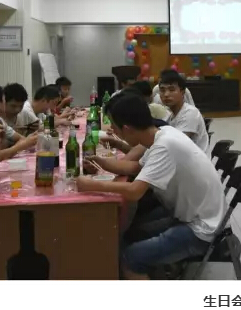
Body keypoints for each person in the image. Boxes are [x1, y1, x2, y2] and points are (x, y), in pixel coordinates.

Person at [75, 94, 225, 279]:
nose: (112, 130)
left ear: (127, 129)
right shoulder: (164, 133)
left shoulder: (164, 146)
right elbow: (136, 167)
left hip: (201, 228)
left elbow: (134, 192)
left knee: (130, 258)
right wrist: (101, 162)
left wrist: (92, 185)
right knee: (130, 233)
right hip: (196, 214)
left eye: (114, 126)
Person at [159, 70, 208, 152]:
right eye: (162, 90)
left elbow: (176, 145)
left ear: (182, 92)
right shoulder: (168, 115)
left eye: (171, 90)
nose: (166, 94)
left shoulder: (190, 113)